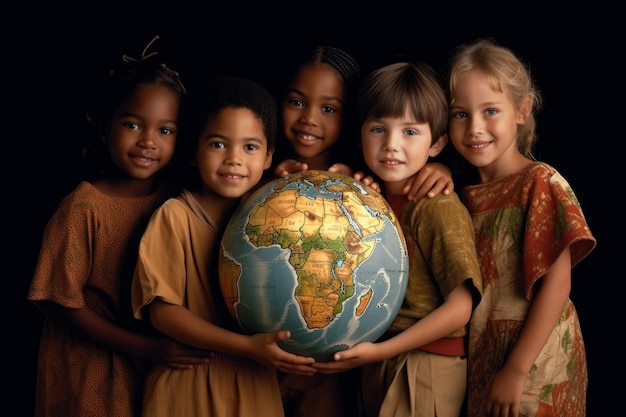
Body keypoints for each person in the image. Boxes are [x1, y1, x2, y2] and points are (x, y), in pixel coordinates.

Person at [27, 36, 212, 417]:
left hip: (151, 362)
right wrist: (143, 347)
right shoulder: (84, 206)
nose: (147, 142)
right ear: (105, 126)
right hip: (91, 363)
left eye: (165, 131)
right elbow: (57, 303)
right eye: (132, 124)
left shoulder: (174, 199)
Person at [130, 75, 318, 417]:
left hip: (254, 382)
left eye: (250, 147)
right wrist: (246, 347)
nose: (234, 159)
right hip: (189, 386)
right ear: (193, 151)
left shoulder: (270, 220)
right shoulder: (175, 217)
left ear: (268, 157)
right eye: (218, 144)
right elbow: (163, 313)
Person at [314, 61, 483, 417]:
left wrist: (380, 352)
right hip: (379, 360)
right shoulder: (369, 201)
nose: (391, 145)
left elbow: (461, 308)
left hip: (427, 364)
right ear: (360, 136)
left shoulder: (436, 206)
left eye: (410, 132)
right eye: (379, 129)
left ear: (437, 143)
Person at [445, 38, 597, 417]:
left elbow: (558, 283)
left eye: (490, 110)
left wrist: (516, 369)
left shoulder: (540, 182)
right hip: (485, 357)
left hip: (536, 362)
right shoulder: (461, 195)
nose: (475, 127)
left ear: (522, 110)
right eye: (460, 114)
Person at [273, 45, 453, 201]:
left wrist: (441, 168)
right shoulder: (259, 165)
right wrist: (270, 185)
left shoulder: (364, 180)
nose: (309, 119)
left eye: (328, 109)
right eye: (296, 102)